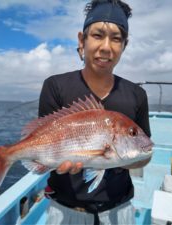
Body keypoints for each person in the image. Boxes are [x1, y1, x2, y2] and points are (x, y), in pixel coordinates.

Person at [38, 0, 151, 224]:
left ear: (124, 45)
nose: (106, 47)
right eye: (98, 35)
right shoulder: (55, 86)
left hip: (119, 209)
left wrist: (119, 155)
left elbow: (144, 155)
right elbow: (44, 140)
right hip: (66, 210)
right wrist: (54, 161)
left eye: (116, 39)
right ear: (82, 40)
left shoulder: (137, 94)